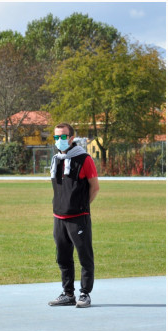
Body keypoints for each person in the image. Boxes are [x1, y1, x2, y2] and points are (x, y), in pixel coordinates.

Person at [47, 123, 99, 308]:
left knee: (85, 256)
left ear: (71, 137)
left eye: (62, 137)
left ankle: (85, 294)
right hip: (59, 217)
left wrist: (82, 206)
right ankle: (68, 293)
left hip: (78, 217)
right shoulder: (56, 159)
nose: (59, 141)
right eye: (56, 137)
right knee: (63, 257)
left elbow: (95, 187)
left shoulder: (84, 159)